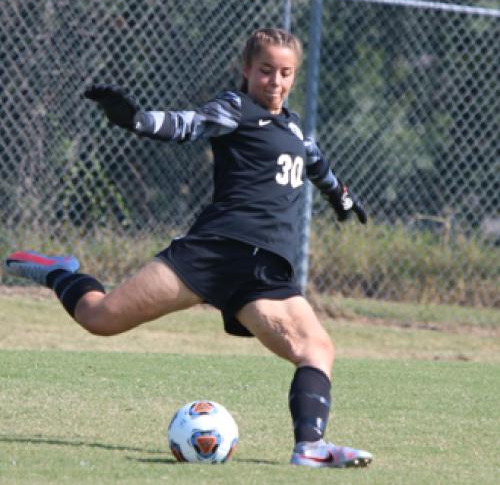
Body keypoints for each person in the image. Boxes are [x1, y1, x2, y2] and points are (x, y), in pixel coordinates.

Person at [5, 28, 372, 468]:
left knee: (317, 349)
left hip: (263, 275)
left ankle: (310, 448)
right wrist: (137, 120)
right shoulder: (235, 109)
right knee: (98, 318)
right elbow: (187, 124)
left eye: (285, 73)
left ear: (295, 76)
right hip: (212, 253)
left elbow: (316, 163)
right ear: (246, 70)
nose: (275, 81)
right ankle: (60, 271)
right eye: (265, 71)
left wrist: (340, 196)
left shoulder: (293, 128)